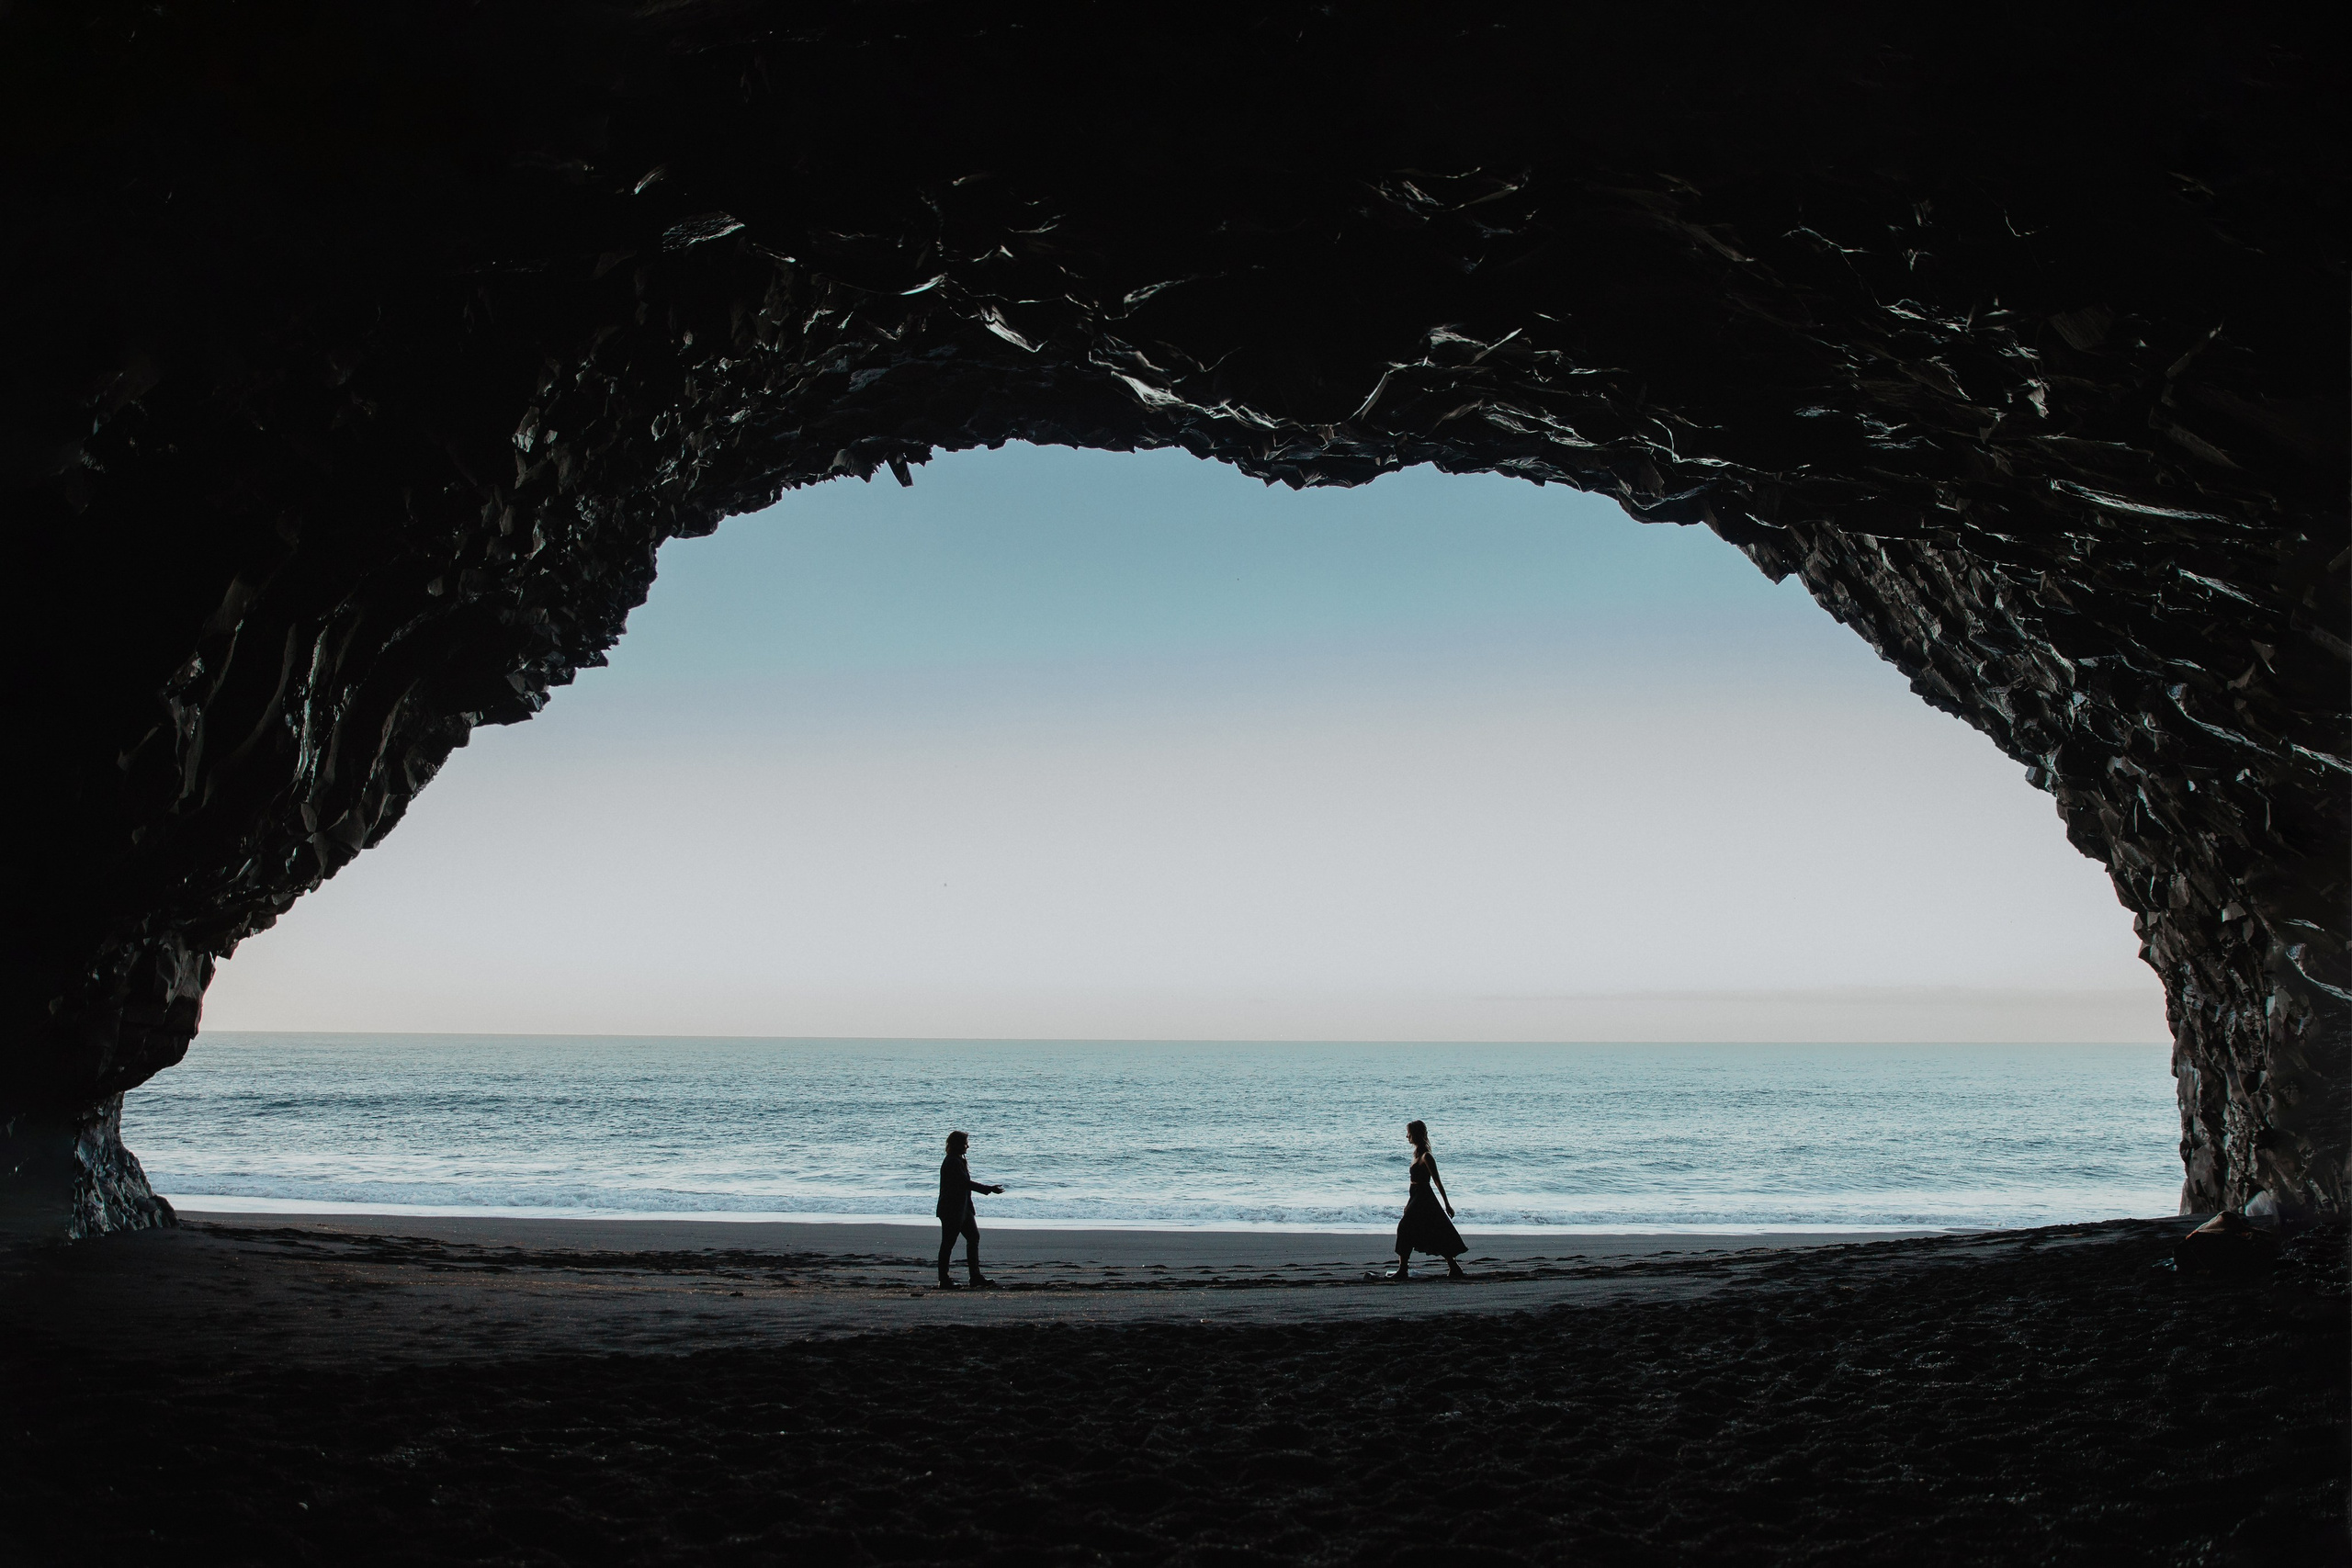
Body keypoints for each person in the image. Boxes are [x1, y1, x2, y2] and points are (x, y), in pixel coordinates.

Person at [1391, 1119, 1467, 1280]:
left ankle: (1403, 1270)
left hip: (1424, 1198)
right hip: (1416, 1196)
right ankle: (1454, 1267)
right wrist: (1408, 1204)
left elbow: (1437, 1181)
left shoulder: (1426, 1156)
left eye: (1409, 1134)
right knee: (1433, 1231)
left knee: (1406, 1228)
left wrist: (1447, 1204)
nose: (1407, 1137)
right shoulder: (1416, 1154)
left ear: (1416, 1135)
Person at [936, 1129, 1004, 1288]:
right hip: (952, 1210)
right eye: (965, 1143)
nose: (968, 1146)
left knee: (973, 1238)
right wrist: (989, 1189)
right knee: (948, 1243)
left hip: (963, 1209)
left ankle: (975, 1276)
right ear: (958, 1145)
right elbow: (965, 1183)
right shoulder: (952, 1161)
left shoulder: (957, 1160)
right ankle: (944, 1279)